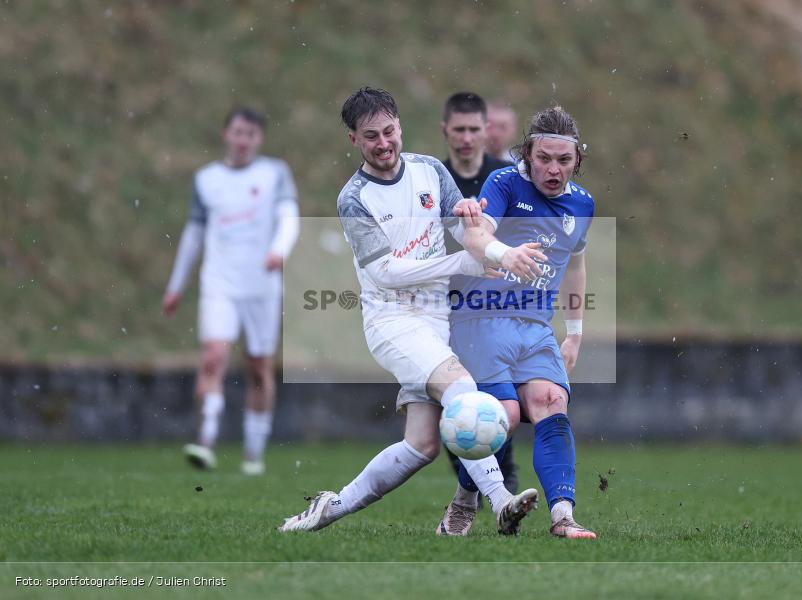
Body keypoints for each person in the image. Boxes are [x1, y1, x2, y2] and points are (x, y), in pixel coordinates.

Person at [278, 88, 543, 535]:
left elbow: (466, 230)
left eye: (388, 132)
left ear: (400, 126)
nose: (383, 144)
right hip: (393, 320)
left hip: (437, 319)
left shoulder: (430, 170)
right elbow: (385, 272)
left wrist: (494, 248)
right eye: (370, 137)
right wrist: (465, 261)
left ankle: (330, 508)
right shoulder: (354, 198)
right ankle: (499, 502)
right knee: (464, 388)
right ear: (353, 141)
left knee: (421, 445)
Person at [445, 105, 597, 539]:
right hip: (481, 318)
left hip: (534, 327)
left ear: (577, 161)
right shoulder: (506, 183)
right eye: (544, 158)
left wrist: (575, 333)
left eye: (564, 160)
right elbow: (476, 233)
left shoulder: (582, 204)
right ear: (527, 155)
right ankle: (464, 502)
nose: (554, 169)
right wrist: (503, 253)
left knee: (552, 402)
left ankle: (562, 517)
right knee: (503, 416)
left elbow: (575, 265)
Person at [162, 107, 300, 476]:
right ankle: (205, 442)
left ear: (259, 139)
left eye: (251, 134)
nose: (243, 140)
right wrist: (176, 286)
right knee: (212, 357)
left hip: (261, 287)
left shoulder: (274, 174)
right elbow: (193, 235)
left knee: (258, 367)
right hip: (219, 283)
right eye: (238, 132)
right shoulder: (207, 179)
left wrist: (278, 251)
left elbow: (290, 218)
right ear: (227, 134)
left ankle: (253, 454)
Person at [440, 91, 519, 497]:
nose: (467, 138)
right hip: (445, 300)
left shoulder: (503, 178)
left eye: (474, 129)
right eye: (460, 130)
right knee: (455, 398)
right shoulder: (436, 181)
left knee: (493, 394)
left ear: (486, 131)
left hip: (494, 299)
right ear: (445, 131)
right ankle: (478, 486)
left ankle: (503, 478)